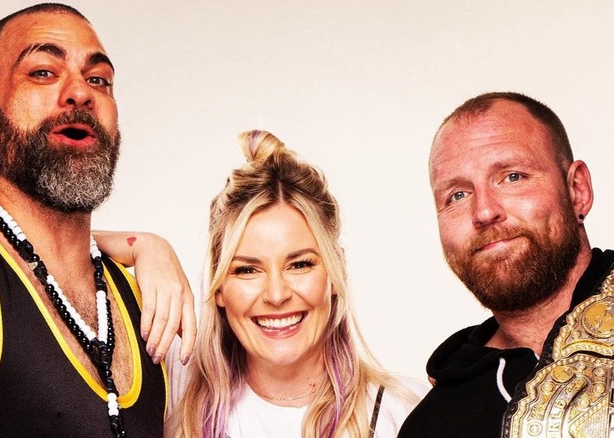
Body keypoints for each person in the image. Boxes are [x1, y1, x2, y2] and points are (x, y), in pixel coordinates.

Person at [0, 4, 195, 437]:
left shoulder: (135, 297)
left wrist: (147, 243)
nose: (80, 93)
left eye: (98, 79)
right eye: (43, 72)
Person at [399, 91, 614, 437]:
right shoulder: (433, 426)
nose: (483, 211)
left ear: (577, 190)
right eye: (457, 195)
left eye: (512, 177)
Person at [169, 130, 427, 437]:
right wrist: (146, 248)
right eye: (248, 270)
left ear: (336, 272)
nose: (276, 295)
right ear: (218, 285)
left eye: (300, 264)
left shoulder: (404, 412)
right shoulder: (177, 395)